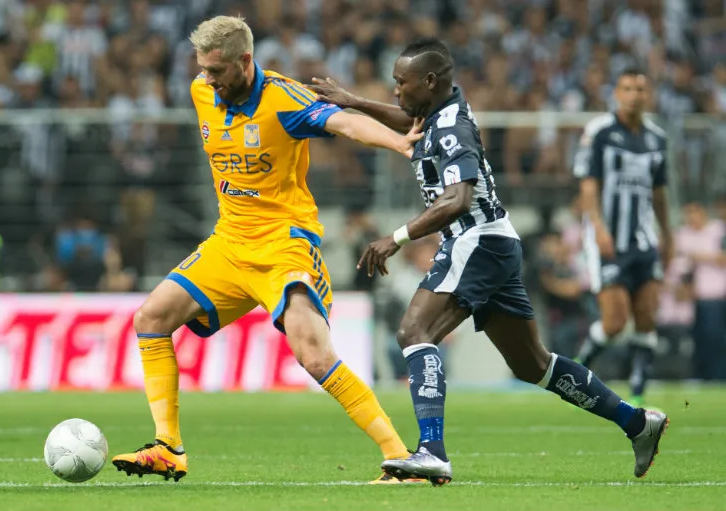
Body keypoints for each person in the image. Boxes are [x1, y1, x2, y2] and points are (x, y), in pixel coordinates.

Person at [308, 38, 668, 485]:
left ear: (430, 81)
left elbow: (458, 198)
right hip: (495, 242)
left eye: (401, 82)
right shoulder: (438, 112)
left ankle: (432, 451)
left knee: (414, 331)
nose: (396, 90)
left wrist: (396, 237)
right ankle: (637, 422)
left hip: (474, 239)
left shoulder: (453, 128)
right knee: (532, 364)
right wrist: (354, 102)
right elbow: (409, 119)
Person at [111, 15, 424, 485]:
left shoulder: (283, 98)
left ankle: (400, 458)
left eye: (216, 71)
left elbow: (344, 123)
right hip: (230, 243)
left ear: (245, 60)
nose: (207, 81)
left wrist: (399, 142)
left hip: (284, 244)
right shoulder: (202, 90)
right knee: (150, 319)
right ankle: (168, 447)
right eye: (202, 70)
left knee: (314, 355)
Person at [572, 68, 673, 408]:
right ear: (616, 92)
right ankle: (577, 370)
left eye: (641, 89)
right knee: (615, 322)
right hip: (608, 239)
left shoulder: (657, 138)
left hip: (644, 239)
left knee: (646, 316)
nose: (634, 95)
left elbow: (660, 194)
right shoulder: (599, 132)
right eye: (628, 88)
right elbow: (588, 186)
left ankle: (639, 387)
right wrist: (599, 229)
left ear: (649, 95)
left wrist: (668, 236)